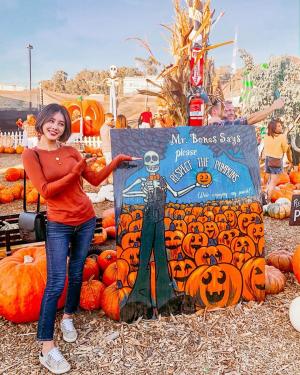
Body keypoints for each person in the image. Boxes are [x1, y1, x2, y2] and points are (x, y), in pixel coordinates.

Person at [22, 103, 133, 374]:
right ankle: (46, 348)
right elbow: (46, 191)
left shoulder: (71, 151)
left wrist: (115, 162)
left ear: (65, 128)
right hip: (59, 224)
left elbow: (94, 181)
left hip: (85, 220)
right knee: (55, 281)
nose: (55, 127)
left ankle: (68, 317)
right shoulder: (31, 154)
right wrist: (74, 173)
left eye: (61, 123)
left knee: (76, 273)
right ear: (42, 123)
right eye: (51, 121)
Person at [208, 97, 285, 126]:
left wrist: (272, 107)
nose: (230, 113)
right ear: (214, 111)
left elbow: (250, 117)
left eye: (232, 110)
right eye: (224, 109)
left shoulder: (222, 124)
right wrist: (273, 107)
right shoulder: (218, 125)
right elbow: (251, 119)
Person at [263, 119, 289, 202]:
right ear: (274, 128)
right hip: (276, 160)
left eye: (281, 125)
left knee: (270, 181)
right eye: (279, 126)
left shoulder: (267, 136)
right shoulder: (282, 137)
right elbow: (285, 149)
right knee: (273, 183)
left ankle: (264, 198)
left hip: (268, 160)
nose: (281, 127)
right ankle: (267, 202)